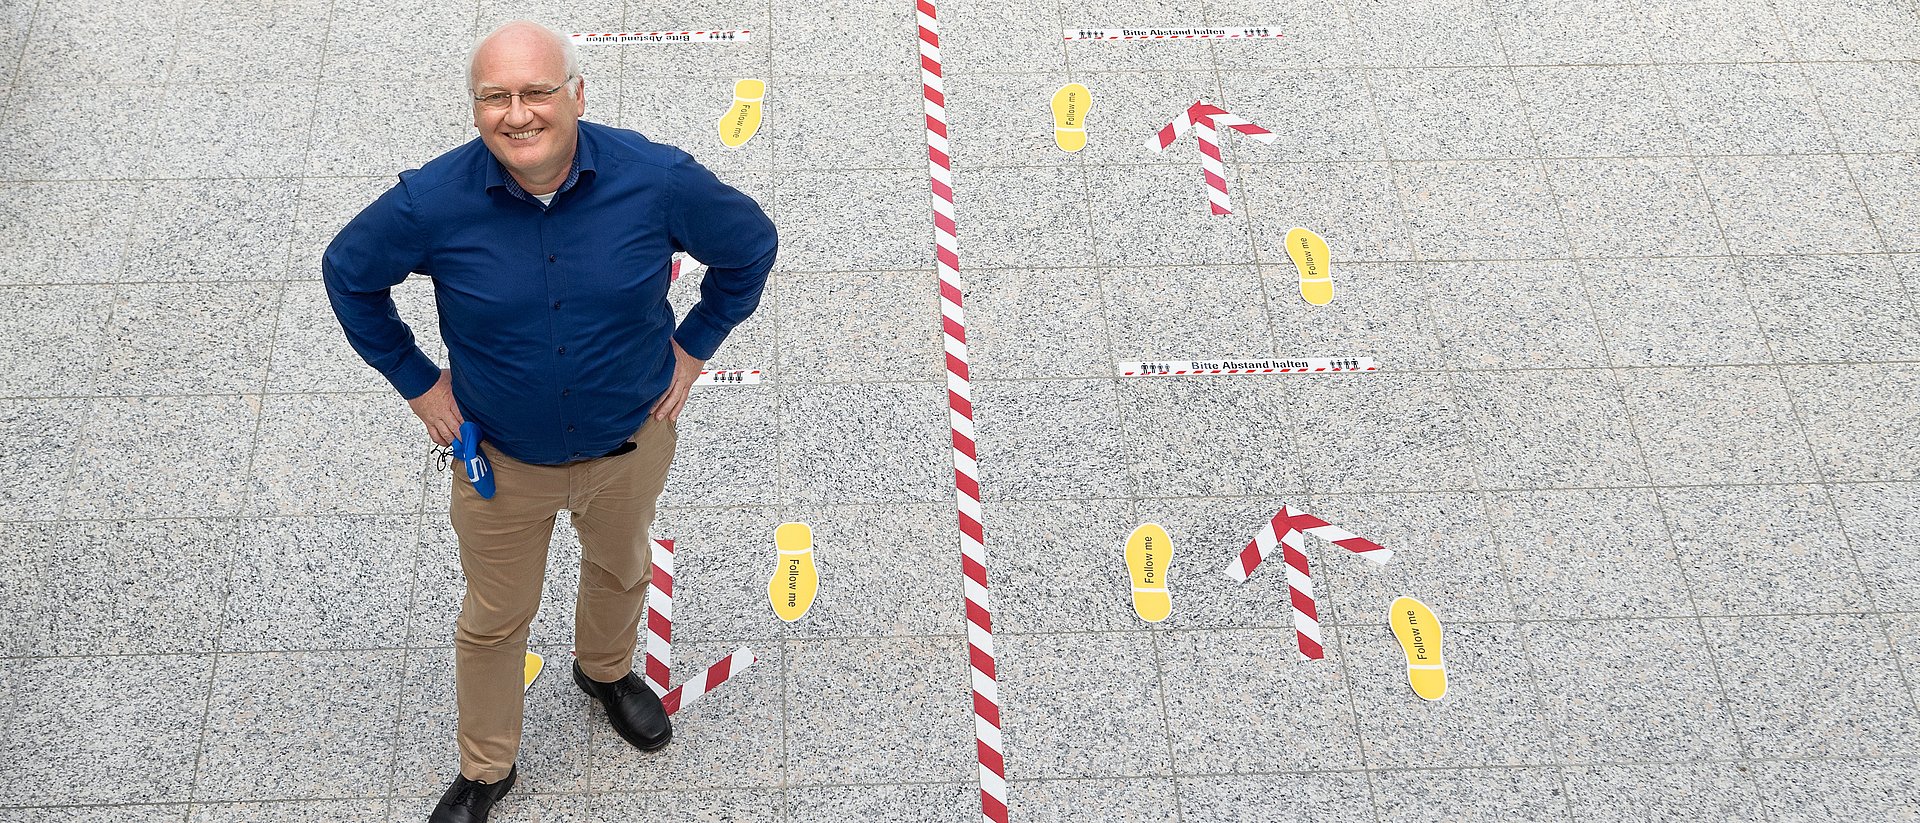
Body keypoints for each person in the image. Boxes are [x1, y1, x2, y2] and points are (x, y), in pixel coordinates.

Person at [322, 20, 776, 823]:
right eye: (494, 96)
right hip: (501, 459)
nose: (517, 113)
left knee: (620, 566)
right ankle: (486, 766)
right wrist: (419, 382)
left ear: (576, 95)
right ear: (475, 108)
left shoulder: (657, 179)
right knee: (494, 617)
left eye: (536, 91)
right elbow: (348, 274)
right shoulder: (431, 201)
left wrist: (697, 342)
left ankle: (604, 670)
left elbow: (750, 245)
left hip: (631, 443)